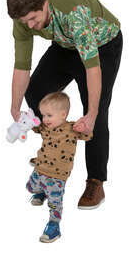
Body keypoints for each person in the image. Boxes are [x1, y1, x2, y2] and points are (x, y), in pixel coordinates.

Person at [7, 0, 123, 209]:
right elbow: (21, 66)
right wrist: (14, 107)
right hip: (67, 44)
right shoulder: (23, 19)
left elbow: (92, 68)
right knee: (36, 92)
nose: (30, 26)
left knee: (95, 112)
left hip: (102, 44)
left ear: (45, 4)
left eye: (33, 19)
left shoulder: (74, 15)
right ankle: (53, 152)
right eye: (24, 21)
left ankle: (95, 181)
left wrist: (90, 114)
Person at [26, 92, 92, 243]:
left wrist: (84, 128)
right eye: (43, 115)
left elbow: (88, 136)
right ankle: (42, 192)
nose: (45, 119)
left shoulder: (72, 128)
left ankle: (54, 226)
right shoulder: (44, 127)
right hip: (40, 168)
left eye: (49, 115)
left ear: (63, 114)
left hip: (57, 175)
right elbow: (35, 126)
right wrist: (28, 120)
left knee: (54, 202)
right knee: (29, 187)